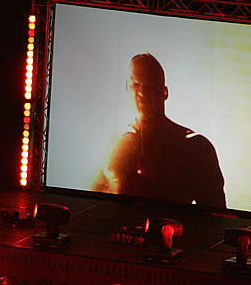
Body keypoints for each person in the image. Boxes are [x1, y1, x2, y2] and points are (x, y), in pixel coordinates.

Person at [92, 53, 226, 206]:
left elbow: (216, 219)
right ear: (127, 89)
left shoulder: (196, 147)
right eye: (136, 85)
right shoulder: (113, 146)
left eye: (150, 86)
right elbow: (87, 211)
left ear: (164, 92)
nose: (142, 92)